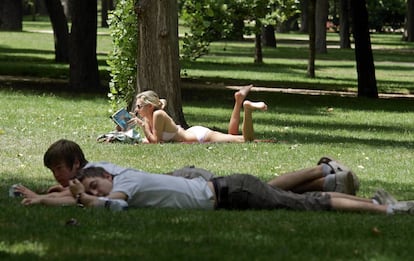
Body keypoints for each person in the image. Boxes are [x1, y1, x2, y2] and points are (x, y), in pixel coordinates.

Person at [18, 139, 360, 206]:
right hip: (183, 180)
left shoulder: (93, 176)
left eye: (59, 170)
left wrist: (39, 198)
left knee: (262, 191)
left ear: (76, 165)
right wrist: (49, 195)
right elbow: (77, 195)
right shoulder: (93, 174)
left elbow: (78, 197)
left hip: (186, 179)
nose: (58, 179)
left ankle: (325, 171)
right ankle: (328, 177)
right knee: (264, 190)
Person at [69, 166, 413, 215]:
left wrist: (85, 198)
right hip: (229, 188)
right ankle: (376, 203)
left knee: (312, 203)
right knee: (305, 199)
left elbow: (114, 206)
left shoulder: (125, 183)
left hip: (231, 192)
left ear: (107, 178)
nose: (96, 190)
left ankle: (386, 209)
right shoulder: (127, 178)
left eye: (96, 184)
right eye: (91, 189)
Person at [130, 86, 267, 143]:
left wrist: (142, 126)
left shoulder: (158, 115)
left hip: (199, 136)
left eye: (139, 106)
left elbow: (157, 141)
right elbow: (151, 139)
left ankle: (247, 108)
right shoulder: (148, 118)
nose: (136, 109)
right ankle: (238, 101)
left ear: (149, 106)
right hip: (192, 133)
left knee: (246, 140)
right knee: (233, 135)